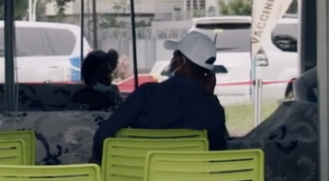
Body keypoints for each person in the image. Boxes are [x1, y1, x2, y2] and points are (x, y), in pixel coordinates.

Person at [91, 31, 229, 163]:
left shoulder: (147, 94)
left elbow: (102, 136)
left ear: (181, 62)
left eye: (175, 56)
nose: (172, 61)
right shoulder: (214, 109)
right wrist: (209, 99)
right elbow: (218, 154)